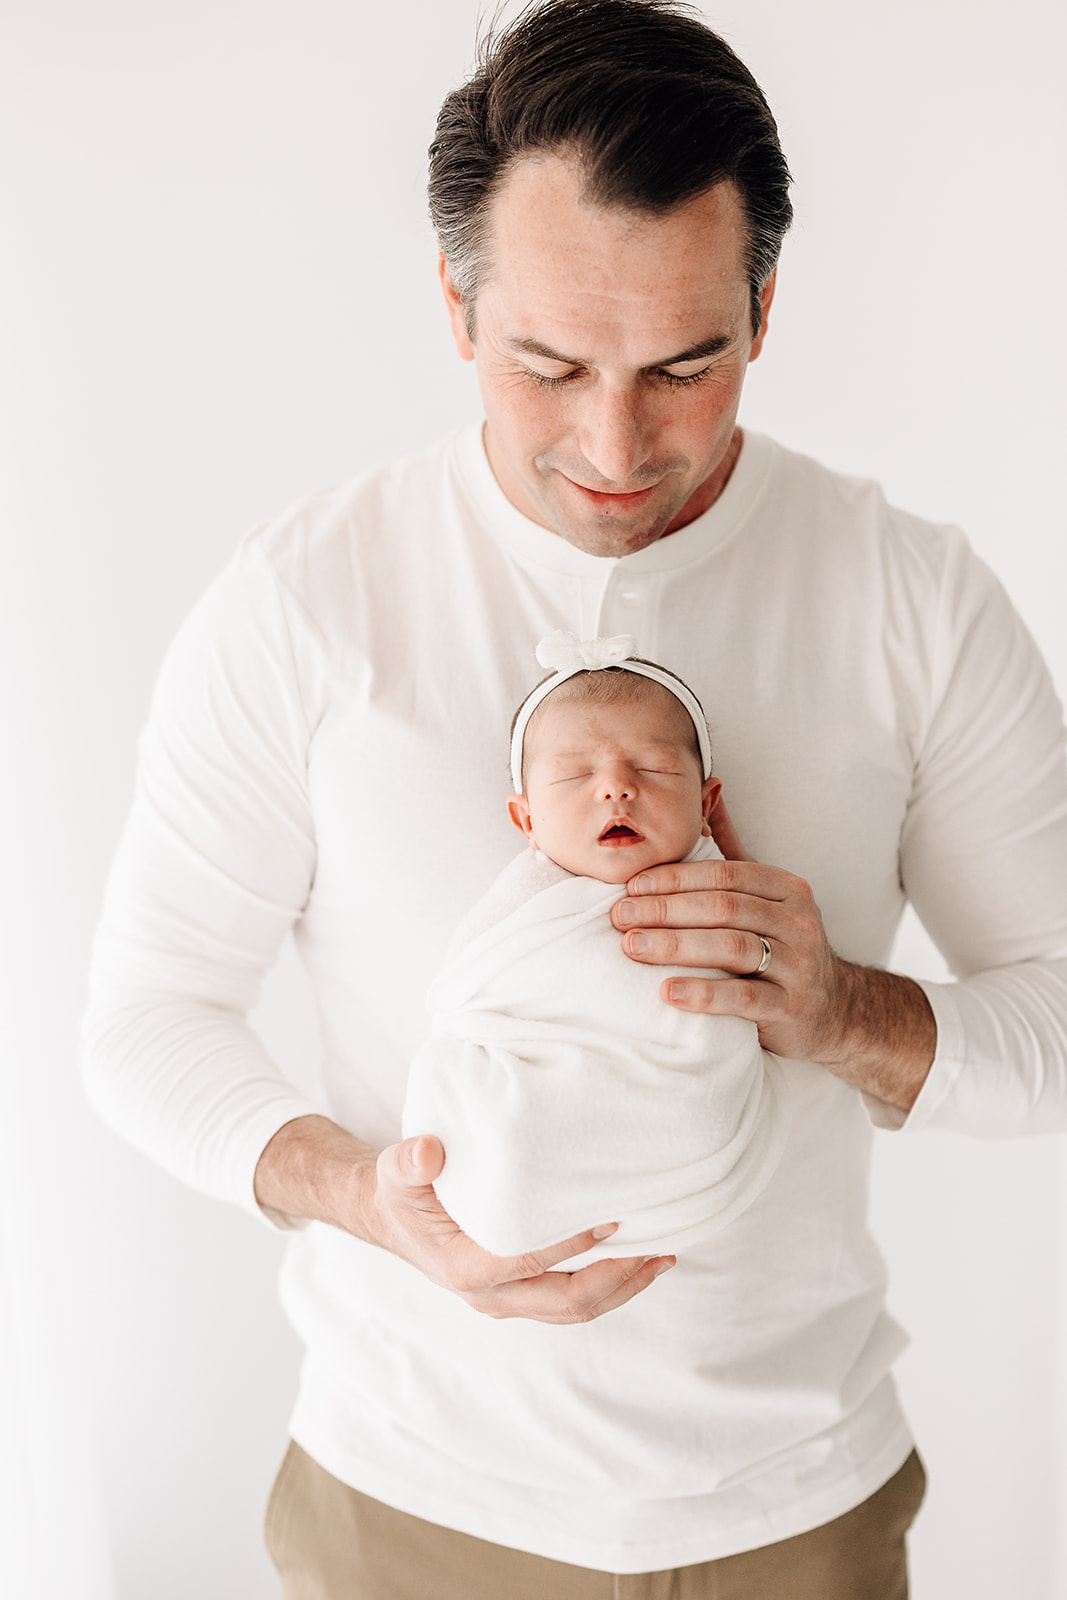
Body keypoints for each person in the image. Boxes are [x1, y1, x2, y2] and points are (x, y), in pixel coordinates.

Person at [80, 1, 1067, 1595]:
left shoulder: (909, 599)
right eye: (550, 365)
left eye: (686, 364)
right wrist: (364, 1199)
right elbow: (144, 1018)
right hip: (405, 1507)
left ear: (762, 308)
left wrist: (843, 1014)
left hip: (795, 1512)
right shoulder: (308, 601)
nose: (615, 446)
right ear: (457, 314)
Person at [402, 631, 789, 1260]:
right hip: (535, 1123)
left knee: (702, 1114)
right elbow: (463, 1000)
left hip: (689, 1139)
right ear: (525, 821)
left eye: (655, 767)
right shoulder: (519, 916)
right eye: (576, 775)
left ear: (706, 802)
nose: (615, 788)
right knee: (463, 1091)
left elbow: (747, 1021)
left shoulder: (727, 895)